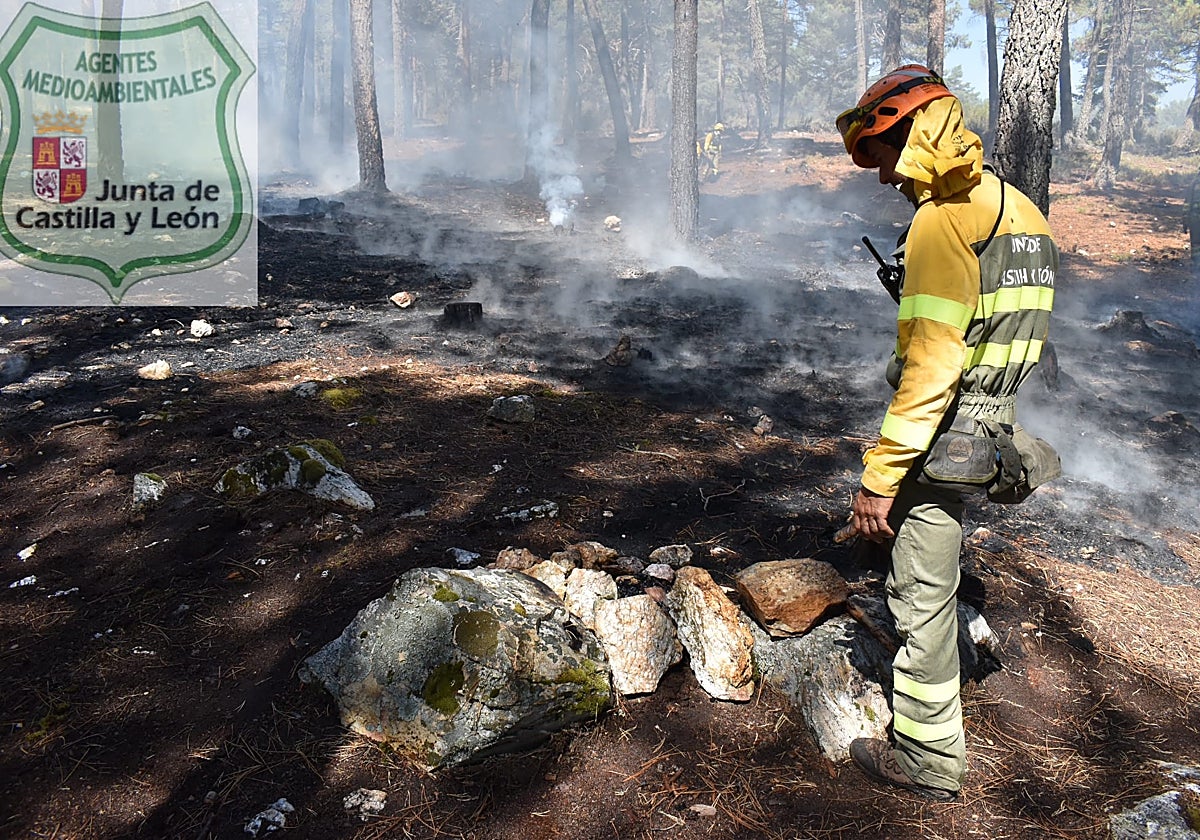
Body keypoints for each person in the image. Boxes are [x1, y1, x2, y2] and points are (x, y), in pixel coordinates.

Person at [834, 65, 1060, 800]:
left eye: (883, 155)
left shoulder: (941, 221)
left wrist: (879, 478)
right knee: (925, 571)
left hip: (943, 437)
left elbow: (933, 364)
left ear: (910, 134)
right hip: (992, 427)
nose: (883, 177)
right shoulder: (1019, 210)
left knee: (921, 595)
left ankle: (928, 758)